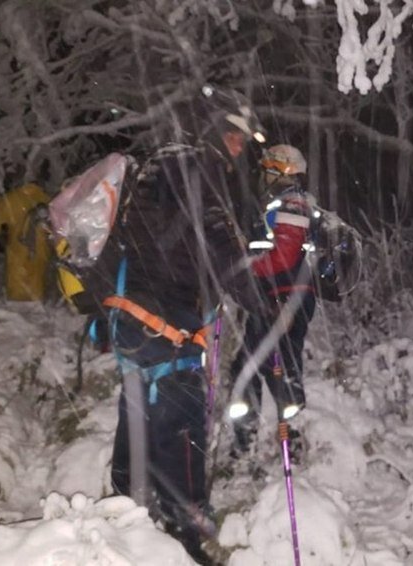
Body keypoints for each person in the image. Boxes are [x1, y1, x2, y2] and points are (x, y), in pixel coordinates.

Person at [77, 86, 266, 565]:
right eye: (234, 136)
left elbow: (132, 241)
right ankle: (187, 536)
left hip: (133, 322)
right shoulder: (199, 170)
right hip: (169, 326)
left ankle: (124, 514)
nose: (239, 147)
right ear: (214, 132)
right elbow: (222, 247)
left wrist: (102, 313)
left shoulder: (155, 167)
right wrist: (259, 299)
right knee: (183, 428)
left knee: (138, 412)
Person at [227, 144, 317, 459]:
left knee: (262, 367)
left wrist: (241, 269)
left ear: (281, 171)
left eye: (267, 170)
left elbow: (282, 257)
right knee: (267, 366)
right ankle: (280, 435)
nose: (261, 176)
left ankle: (269, 440)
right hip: (277, 298)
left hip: (285, 300)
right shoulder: (281, 204)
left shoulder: (293, 205)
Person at [0, 183, 52, 301]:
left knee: (17, 283)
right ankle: (37, 306)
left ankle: (18, 308)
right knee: (37, 281)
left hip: (17, 249)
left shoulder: (9, 200)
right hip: (41, 249)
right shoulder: (46, 198)